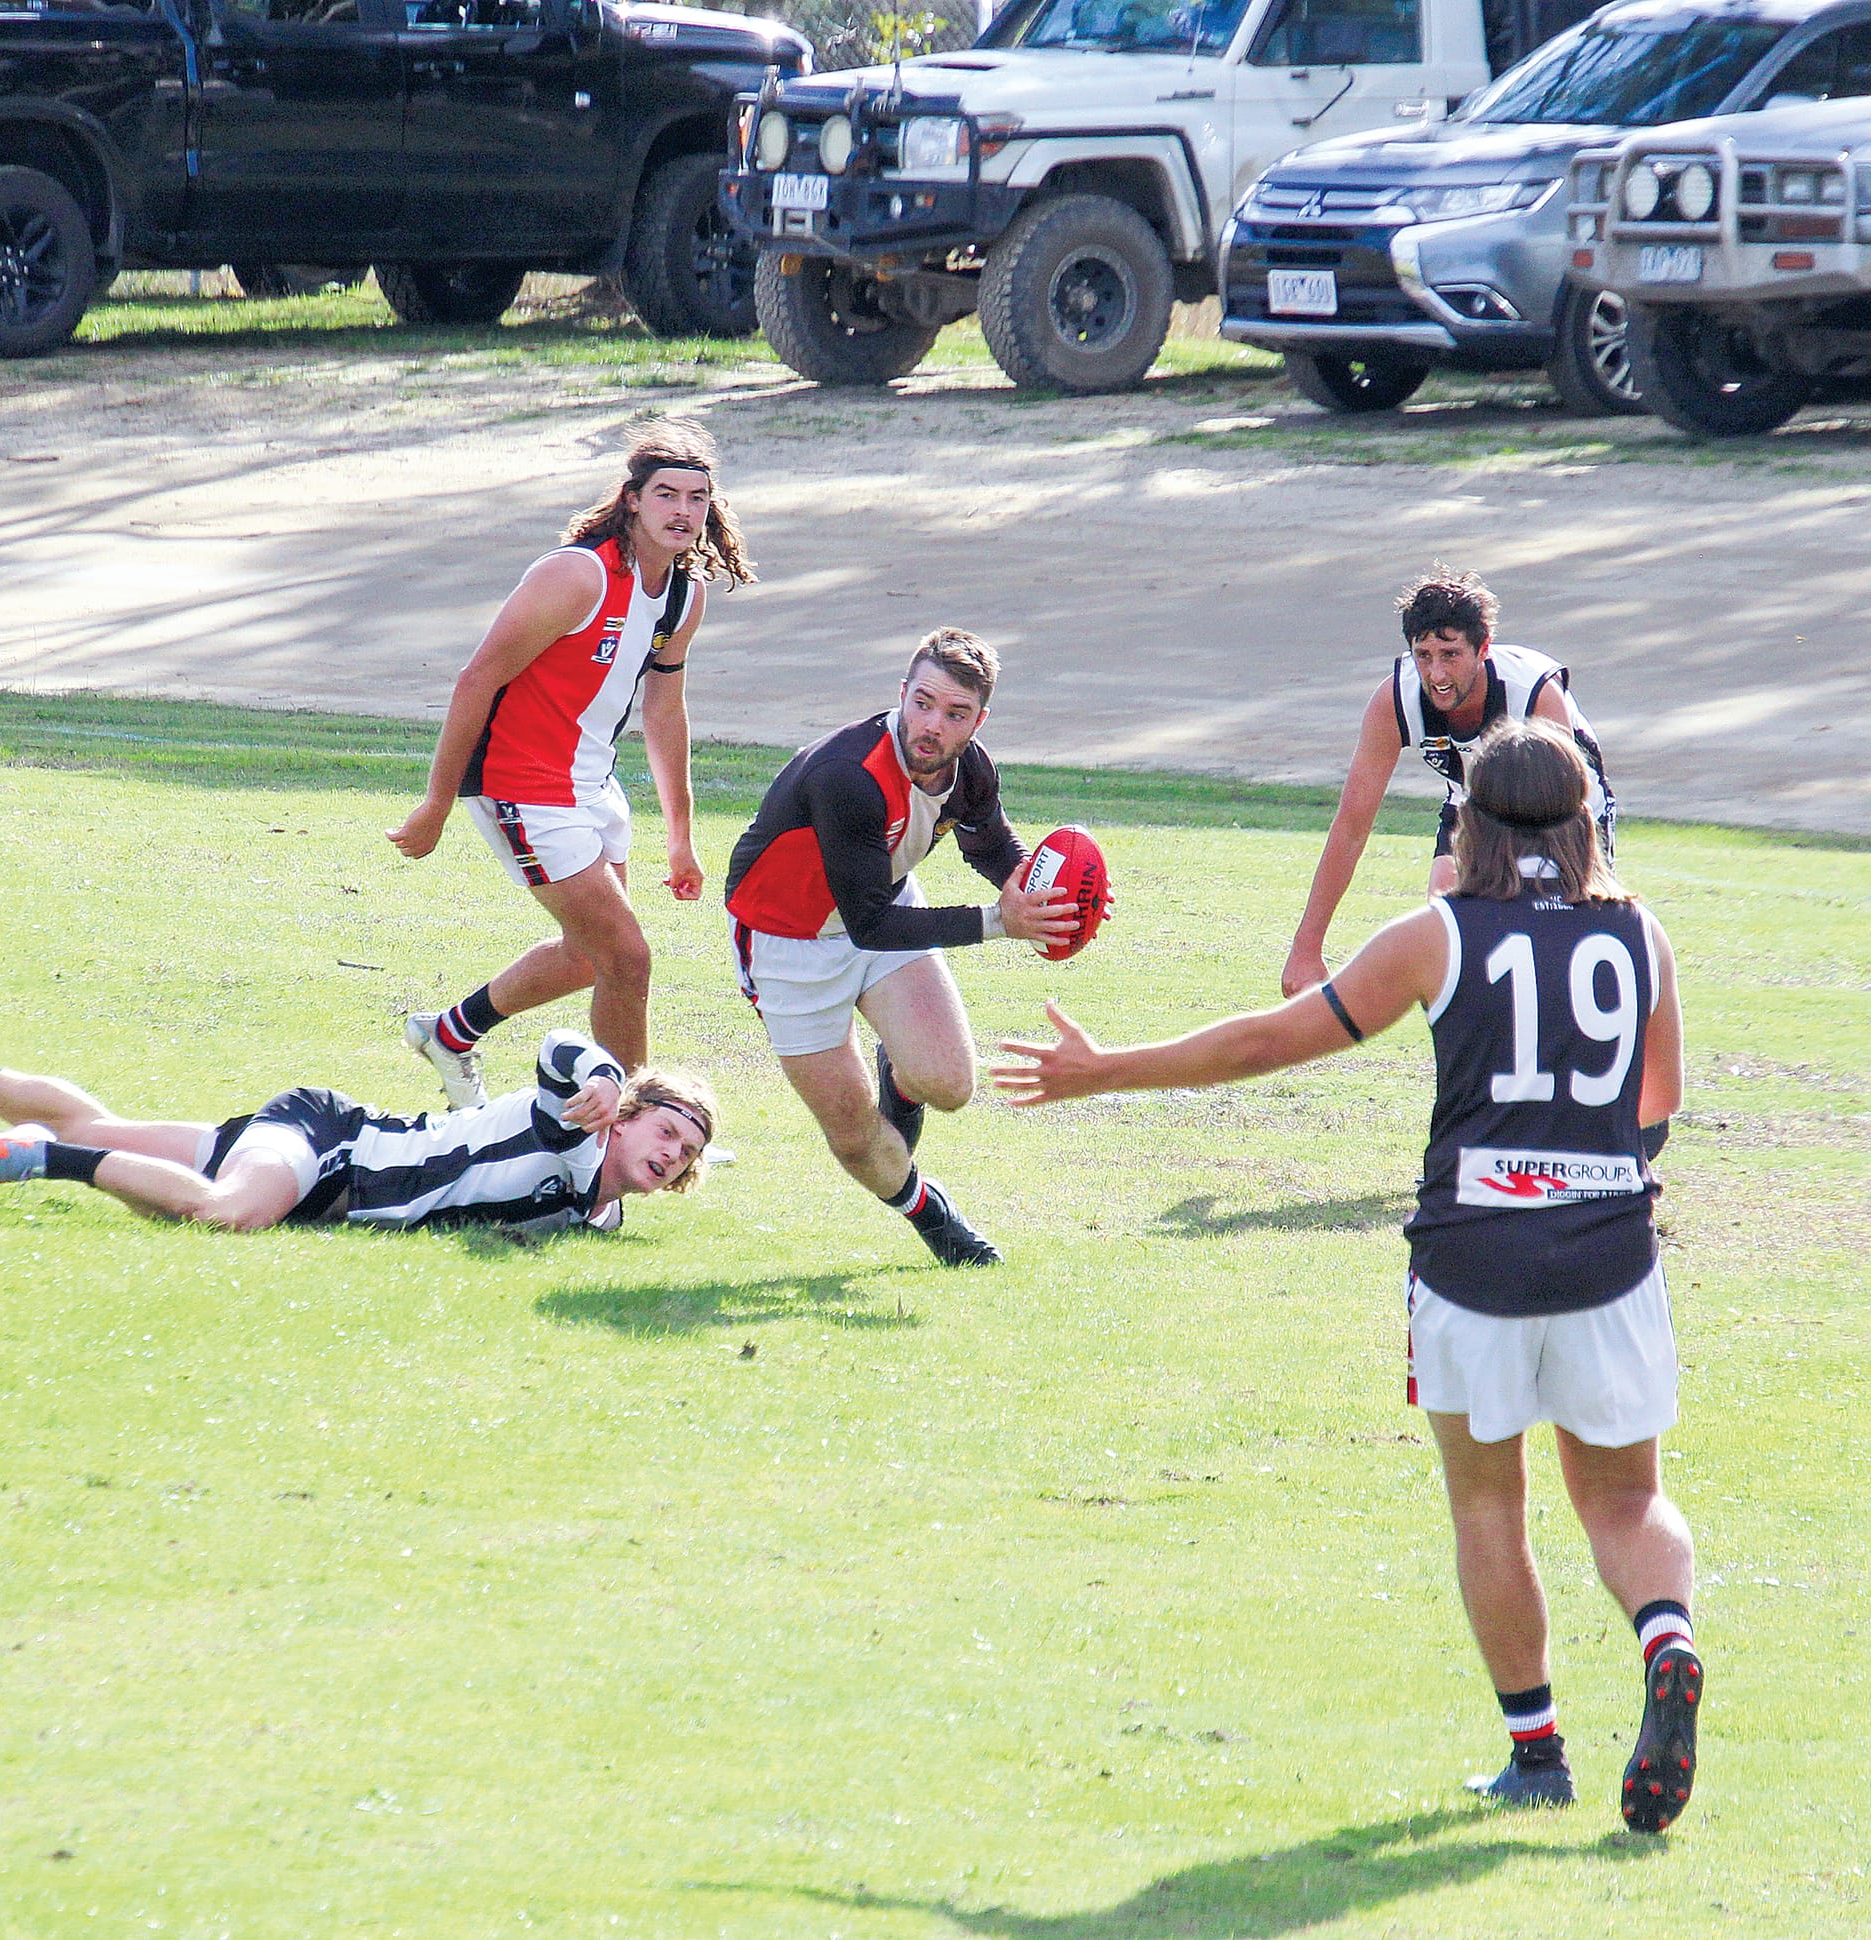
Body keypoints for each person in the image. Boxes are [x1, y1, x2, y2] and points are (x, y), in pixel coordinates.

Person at [995, 719, 1700, 1831]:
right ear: (1583, 822)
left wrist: (1105, 1070)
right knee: (1623, 1498)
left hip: (1471, 1254)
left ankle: (1536, 1753)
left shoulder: (1435, 935)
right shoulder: (1640, 934)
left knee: (1488, 1500)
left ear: (1469, 823)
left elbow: (1264, 1044)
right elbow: (1658, 1101)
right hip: (1610, 1252)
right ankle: (1664, 1639)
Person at [388, 417, 755, 1104]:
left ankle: (449, 1034)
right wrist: (436, 803)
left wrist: (681, 838)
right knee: (627, 957)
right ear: (633, 501)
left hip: (592, 784)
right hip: (520, 784)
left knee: (590, 957)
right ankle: (632, 1121)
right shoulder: (577, 574)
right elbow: (477, 679)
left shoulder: (684, 593)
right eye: (667, 494)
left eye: (698, 497)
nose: (683, 510)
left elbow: (664, 712)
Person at [723, 627, 1077, 1267]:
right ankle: (933, 1217)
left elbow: (990, 843)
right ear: (902, 693)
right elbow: (870, 925)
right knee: (858, 1141)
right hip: (789, 941)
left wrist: (1044, 891)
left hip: (881, 903)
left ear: (979, 721)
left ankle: (900, 1073)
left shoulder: (970, 767)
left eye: (956, 713)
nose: (933, 726)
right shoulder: (847, 776)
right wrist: (1000, 922)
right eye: (923, 703)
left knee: (950, 1085)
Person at [0, 1013, 713, 1238]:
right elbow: (561, 1044)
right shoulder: (575, 1124)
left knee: (103, 1129)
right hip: (332, 1143)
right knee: (227, 1213)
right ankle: (41, 1156)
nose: (672, 1153)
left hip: (326, 1182)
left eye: (687, 1153)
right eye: (667, 1131)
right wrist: (604, 1076)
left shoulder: (601, 1217)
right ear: (627, 1120)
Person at [1281, 568, 1616, 1000]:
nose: (1436, 673)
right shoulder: (1395, 700)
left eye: (1450, 654)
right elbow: (1351, 825)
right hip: (1472, 799)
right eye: (1423, 655)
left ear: (1483, 648)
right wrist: (1306, 947)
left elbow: (1566, 809)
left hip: (1563, 808)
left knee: (1557, 945)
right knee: (1448, 933)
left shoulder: (1530, 692)